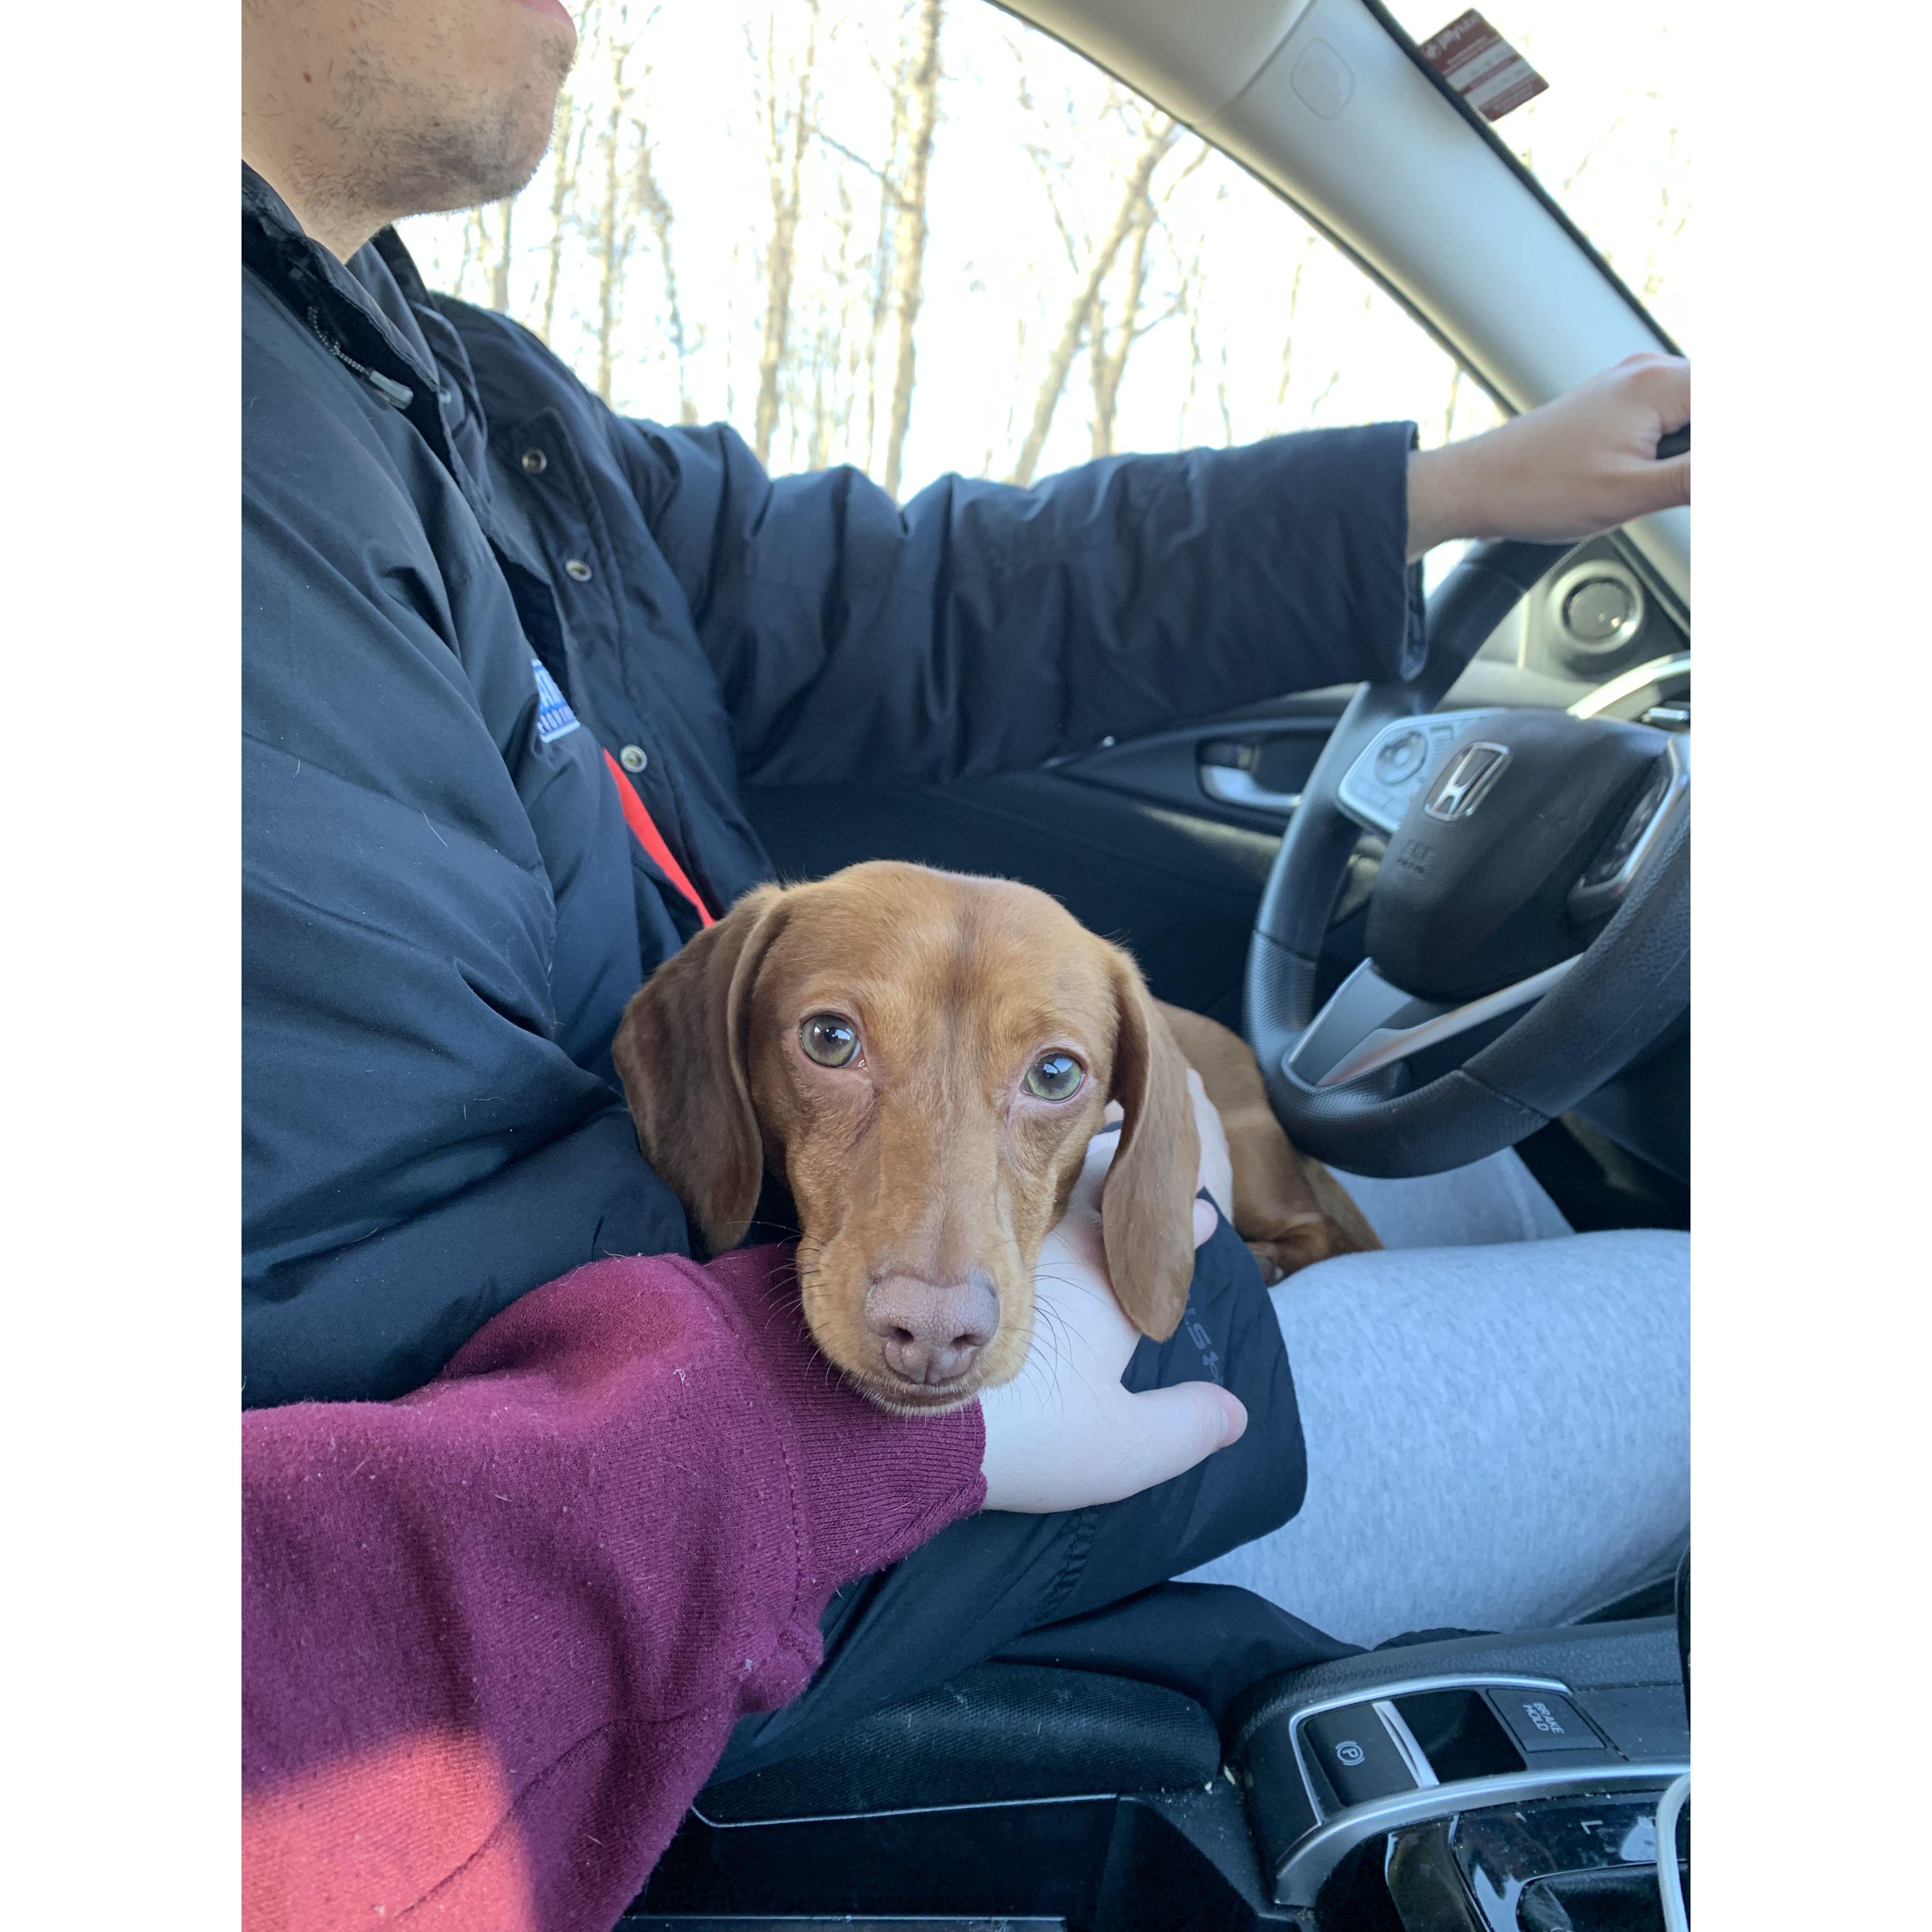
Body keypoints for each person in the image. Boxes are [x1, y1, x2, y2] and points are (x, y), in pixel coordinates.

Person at [240, 2, 1690, 1925]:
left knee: (1498, 1213)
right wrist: (979, 1368)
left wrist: (1453, 495)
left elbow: (906, 594)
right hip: (789, 1472)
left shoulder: (451, 384)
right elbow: (359, 1303)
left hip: (871, 1319)